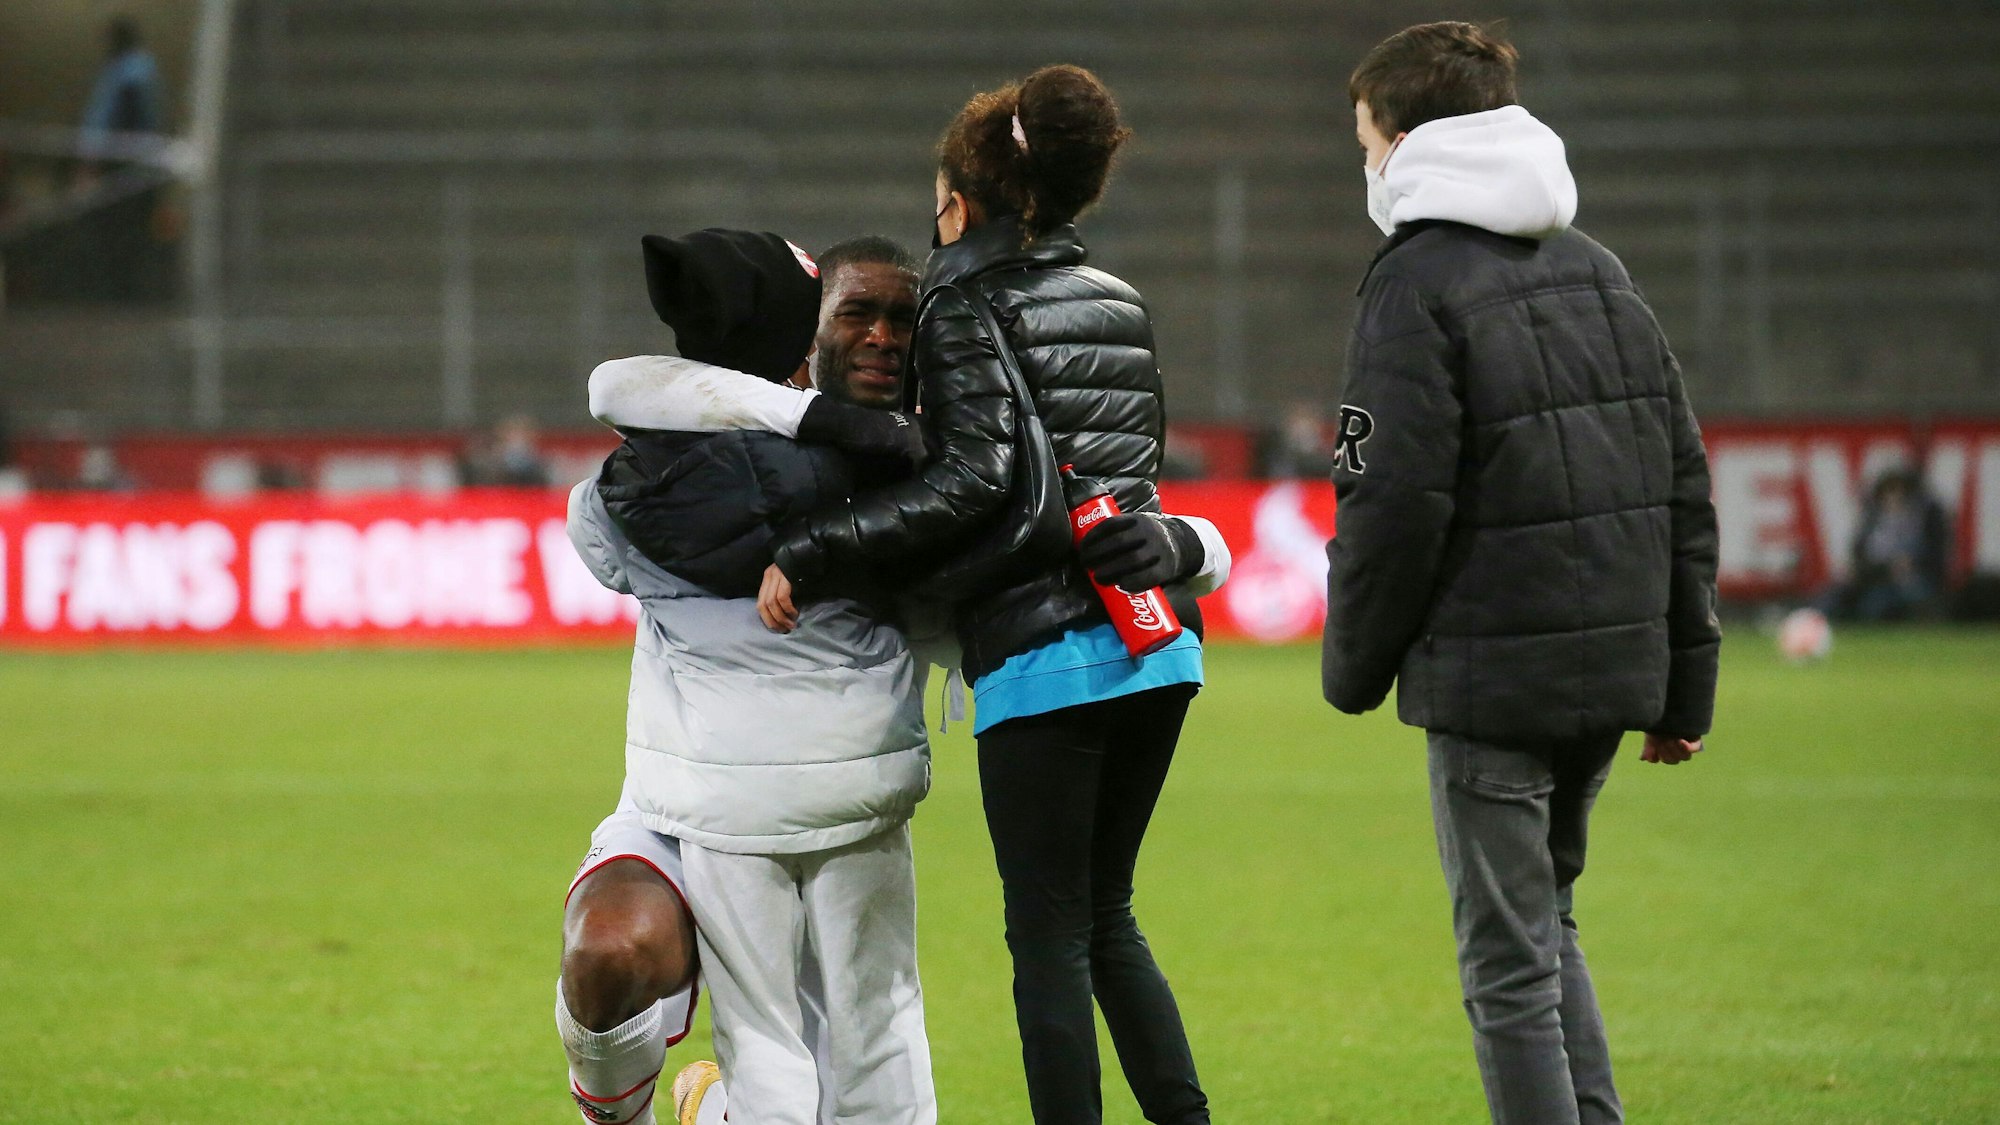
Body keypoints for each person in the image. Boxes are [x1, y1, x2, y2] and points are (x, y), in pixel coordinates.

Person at [756, 66, 1228, 1125]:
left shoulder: (963, 306)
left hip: (1042, 649)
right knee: (1107, 917)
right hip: (1155, 640)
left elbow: (971, 481)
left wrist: (823, 542)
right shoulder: (1119, 301)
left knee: (1049, 936)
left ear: (961, 205)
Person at [1320, 23, 1721, 1125]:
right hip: (1608, 669)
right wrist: (1681, 684)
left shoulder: (1411, 283)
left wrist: (1351, 667)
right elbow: (1680, 480)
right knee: (1545, 923)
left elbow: (1390, 502)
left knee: (1504, 962)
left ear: (1405, 141)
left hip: (1492, 673)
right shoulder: (1596, 268)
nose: (1364, 166)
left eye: (1365, 142)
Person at [558, 230, 937, 1125]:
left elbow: (604, 494)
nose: (881, 337)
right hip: (683, 797)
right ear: (809, 332)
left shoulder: (632, 486)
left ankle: (711, 1111)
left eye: (900, 320)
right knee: (615, 956)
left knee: (807, 1050)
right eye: (857, 314)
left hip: (806, 799)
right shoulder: (899, 474)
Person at [1819, 467, 1951, 621]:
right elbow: (1859, 552)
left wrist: (1914, 564)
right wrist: (1861, 569)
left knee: (1876, 605)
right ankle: (1811, 619)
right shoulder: (1872, 519)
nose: (1893, 497)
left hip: (1909, 580)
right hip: (1874, 577)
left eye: (1898, 491)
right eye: (1888, 491)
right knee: (1834, 596)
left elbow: (1937, 554)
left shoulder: (1923, 519)